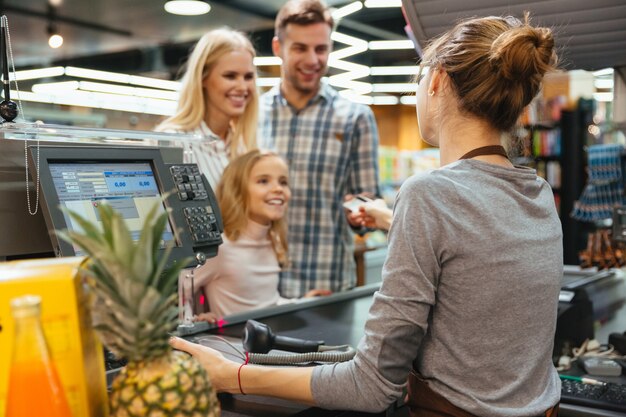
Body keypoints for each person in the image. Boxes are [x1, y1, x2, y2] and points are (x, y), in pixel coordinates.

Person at [172, 12, 563, 416]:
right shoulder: (536, 192)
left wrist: (231, 374)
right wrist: (394, 220)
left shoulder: (428, 194)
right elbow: (477, 257)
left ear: (437, 80)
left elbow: (370, 385)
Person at [258, 0, 380, 298]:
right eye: (300, 48)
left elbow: (368, 202)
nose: (313, 60)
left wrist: (360, 214)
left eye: (321, 49)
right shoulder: (253, 115)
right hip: (259, 284)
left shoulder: (355, 118)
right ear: (278, 47)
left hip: (328, 284)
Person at [178, 149, 331, 322]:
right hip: (232, 346)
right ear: (237, 189)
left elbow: (266, 306)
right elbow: (174, 296)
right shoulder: (221, 247)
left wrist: (300, 303)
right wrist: (194, 320)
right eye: (263, 181)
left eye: (283, 182)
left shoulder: (273, 240)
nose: (278, 189)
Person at [156, 27, 258, 190]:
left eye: (248, 77)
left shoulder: (243, 147)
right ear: (202, 78)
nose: (242, 87)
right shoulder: (174, 142)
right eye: (230, 76)